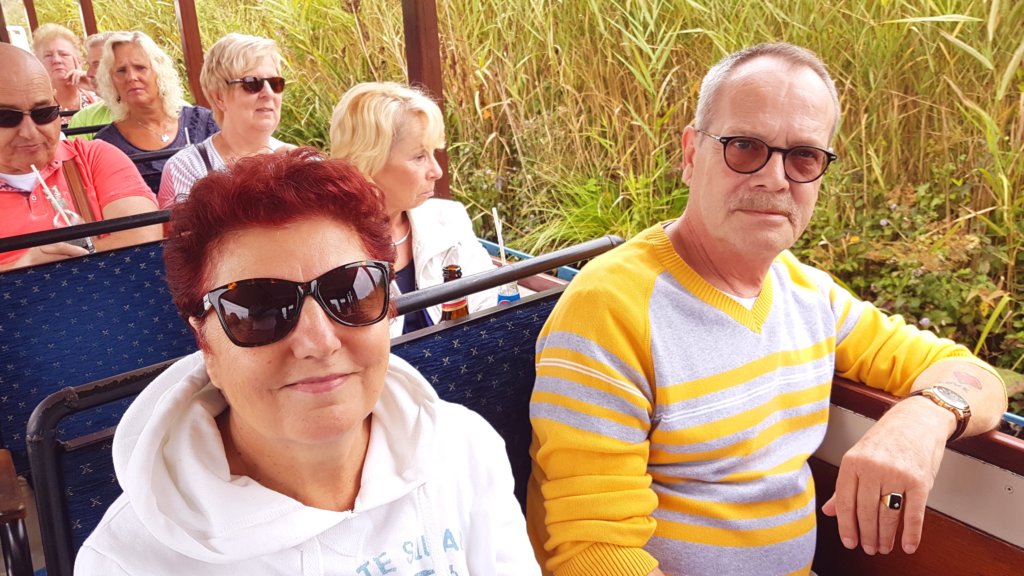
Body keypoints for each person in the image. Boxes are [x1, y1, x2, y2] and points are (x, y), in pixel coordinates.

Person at [526, 42, 1008, 576]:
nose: (775, 178)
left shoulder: (808, 295)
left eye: (804, 156)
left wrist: (920, 420)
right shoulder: (609, 309)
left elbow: (976, 376)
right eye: (745, 146)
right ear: (691, 155)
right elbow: (591, 550)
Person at [74, 148, 540, 575]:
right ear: (206, 344)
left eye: (351, 292)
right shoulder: (127, 563)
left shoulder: (464, 449)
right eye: (258, 309)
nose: (318, 342)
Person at [329, 81, 497, 336]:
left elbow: (488, 303)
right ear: (368, 162)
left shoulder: (448, 219)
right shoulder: (328, 245)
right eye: (419, 157)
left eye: (433, 153)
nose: (437, 171)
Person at [0, 43, 161, 271]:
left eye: (43, 113)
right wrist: (23, 270)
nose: (30, 132)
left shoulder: (94, 157)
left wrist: (57, 264)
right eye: (6, 117)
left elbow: (143, 238)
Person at [158, 33, 292, 208]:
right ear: (219, 97)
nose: (268, 93)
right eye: (252, 83)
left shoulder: (301, 161)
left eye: (275, 83)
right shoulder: (187, 168)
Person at [93, 31, 219, 192]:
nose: (131, 77)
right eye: (121, 71)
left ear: (160, 73)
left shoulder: (203, 122)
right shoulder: (107, 145)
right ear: (111, 81)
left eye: (140, 68)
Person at [31, 23, 99, 126]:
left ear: (79, 60)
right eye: (48, 55)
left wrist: (94, 86)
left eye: (64, 54)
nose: (56, 60)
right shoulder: (34, 109)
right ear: (38, 63)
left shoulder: (99, 97)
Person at [66, 32, 116, 140]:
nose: (88, 73)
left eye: (97, 65)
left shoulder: (149, 110)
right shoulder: (83, 119)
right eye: (89, 65)